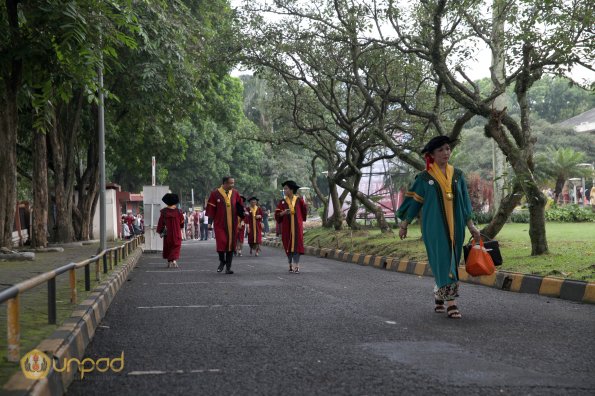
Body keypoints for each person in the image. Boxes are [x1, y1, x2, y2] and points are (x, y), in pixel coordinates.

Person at [396, 136, 481, 319]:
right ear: (432, 155)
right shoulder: (425, 178)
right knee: (443, 260)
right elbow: (414, 203)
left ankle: (439, 292)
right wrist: (404, 225)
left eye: (448, 149)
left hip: (457, 225)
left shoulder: (457, 175)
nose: (446, 153)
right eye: (441, 150)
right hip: (434, 227)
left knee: (451, 259)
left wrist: (471, 225)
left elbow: (465, 202)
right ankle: (452, 303)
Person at [206, 176, 244, 274]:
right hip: (220, 224)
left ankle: (228, 268)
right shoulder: (215, 194)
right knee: (222, 243)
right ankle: (222, 261)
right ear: (224, 183)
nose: (232, 185)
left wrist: (242, 219)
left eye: (233, 183)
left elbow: (240, 207)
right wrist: (209, 223)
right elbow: (211, 210)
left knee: (231, 245)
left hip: (233, 223)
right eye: (231, 183)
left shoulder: (235, 193)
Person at [275, 180, 308, 273]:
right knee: (288, 245)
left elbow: (304, 212)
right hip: (286, 227)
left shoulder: (299, 200)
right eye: (284, 189)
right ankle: (290, 264)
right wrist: (283, 213)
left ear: (291, 190)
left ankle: (297, 265)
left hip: (297, 227)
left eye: (286, 189)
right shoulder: (282, 202)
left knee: (297, 245)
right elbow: (277, 214)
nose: (284, 190)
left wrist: (301, 219)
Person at [156, 193, 185, 268]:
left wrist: (160, 231)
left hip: (167, 233)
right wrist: (181, 227)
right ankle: (174, 260)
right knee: (176, 246)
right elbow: (182, 222)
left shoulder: (164, 212)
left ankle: (169, 262)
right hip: (176, 232)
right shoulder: (179, 212)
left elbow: (161, 222)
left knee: (168, 246)